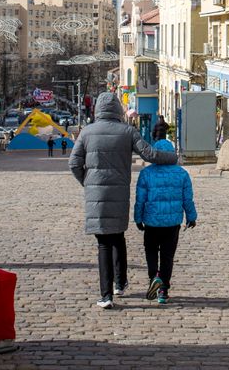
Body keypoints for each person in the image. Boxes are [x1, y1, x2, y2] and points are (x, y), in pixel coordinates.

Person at [69, 91, 177, 310]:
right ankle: (121, 282)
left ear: (98, 109)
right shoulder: (127, 131)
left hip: (95, 195)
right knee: (118, 236)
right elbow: (150, 154)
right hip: (119, 194)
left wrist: (88, 183)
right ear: (118, 109)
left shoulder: (87, 132)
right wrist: (172, 157)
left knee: (103, 243)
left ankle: (106, 295)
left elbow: (73, 162)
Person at [133, 139, 197, 306]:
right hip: (172, 223)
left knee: (151, 252)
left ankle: (154, 276)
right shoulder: (182, 173)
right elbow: (187, 199)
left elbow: (140, 200)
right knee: (167, 257)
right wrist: (191, 216)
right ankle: (163, 291)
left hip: (152, 223)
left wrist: (138, 218)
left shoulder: (146, 173)